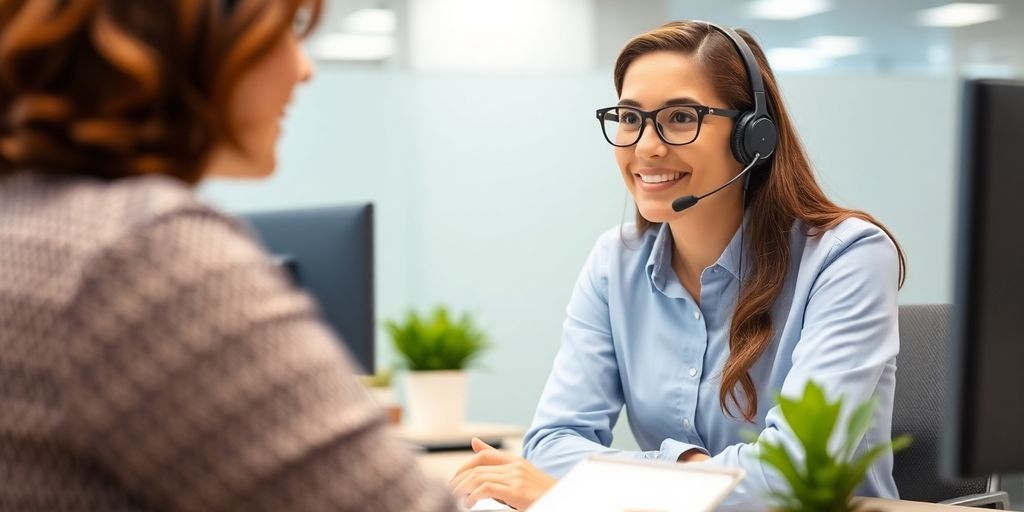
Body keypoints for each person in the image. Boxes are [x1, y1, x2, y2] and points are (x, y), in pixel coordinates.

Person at [0, 1, 455, 510]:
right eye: (287, 30)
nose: (304, 69)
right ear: (195, 39)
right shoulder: (143, 256)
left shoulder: (28, 227)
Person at [451, 20, 905, 510]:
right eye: (630, 118)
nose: (647, 145)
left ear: (753, 136)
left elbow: (792, 473)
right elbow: (551, 443)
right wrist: (683, 468)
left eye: (681, 117)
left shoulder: (846, 258)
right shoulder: (615, 263)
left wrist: (605, 487)